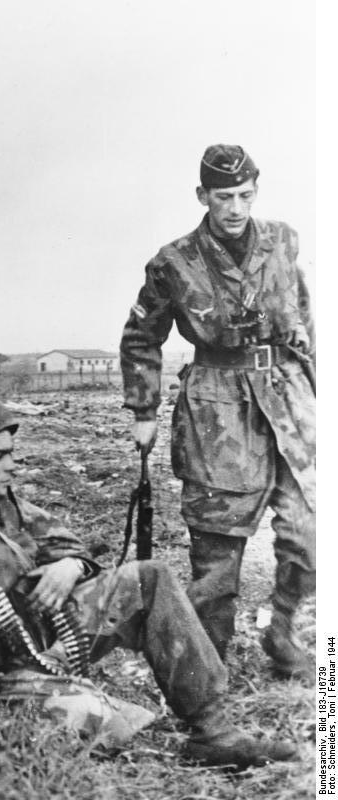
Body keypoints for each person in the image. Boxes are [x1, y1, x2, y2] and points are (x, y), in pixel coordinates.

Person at [0, 395, 296, 768]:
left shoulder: (7, 507)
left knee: (150, 577)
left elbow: (72, 546)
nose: (12, 467)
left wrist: (72, 568)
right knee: (104, 731)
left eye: (12, 455)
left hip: (40, 638)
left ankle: (215, 731)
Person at [120, 144, 315, 676]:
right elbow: (142, 336)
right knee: (218, 548)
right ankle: (211, 668)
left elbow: (303, 315)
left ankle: (282, 629)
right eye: (223, 196)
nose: (235, 207)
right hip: (218, 407)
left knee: (311, 527)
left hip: (288, 396)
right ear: (202, 195)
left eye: (245, 195)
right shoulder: (173, 261)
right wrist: (142, 409)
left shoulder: (282, 240)